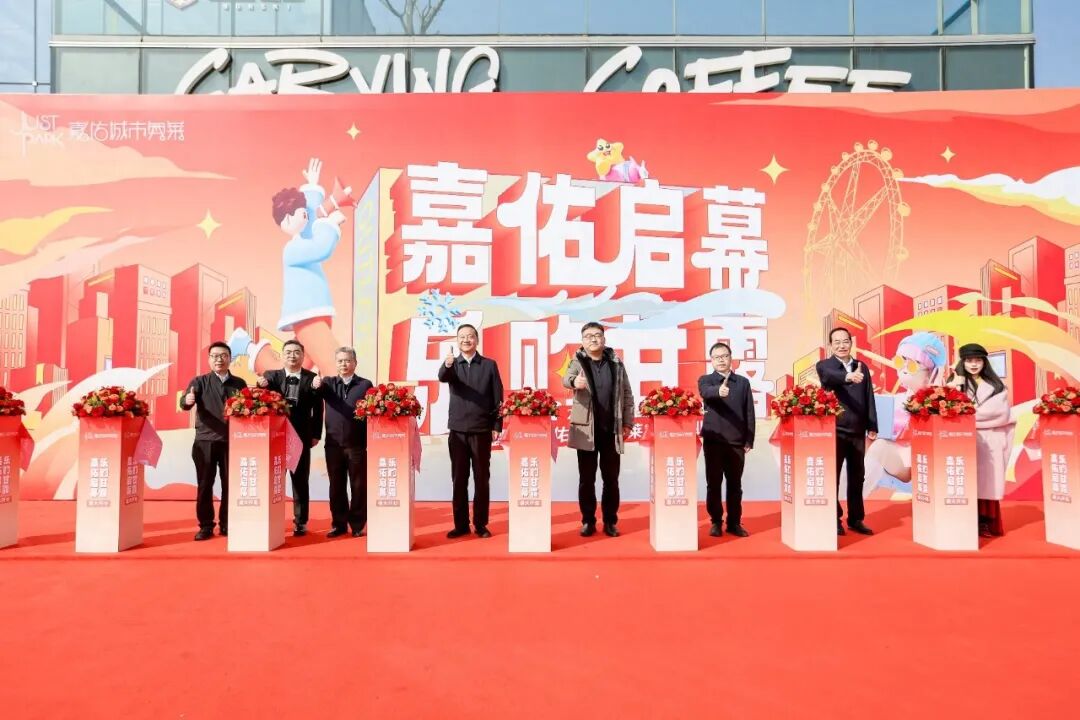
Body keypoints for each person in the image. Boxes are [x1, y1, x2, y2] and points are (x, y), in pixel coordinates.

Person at [563, 322, 635, 538]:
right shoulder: (577, 361)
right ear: (582, 341)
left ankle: (610, 522)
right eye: (588, 336)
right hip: (586, 430)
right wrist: (575, 381)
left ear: (604, 339)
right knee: (586, 480)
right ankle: (588, 521)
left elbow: (627, 393)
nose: (593, 339)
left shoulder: (616, 363)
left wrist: (627, 423)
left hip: (611, 429)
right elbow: (566, 379)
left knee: (611, 479)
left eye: (597, 335)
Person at [437, 324, 504, 539]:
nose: (466, 340)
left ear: (477, 340)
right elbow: (442, 376)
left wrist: (497, 425)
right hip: (457, 430)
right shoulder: (452, 364)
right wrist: (448, 364)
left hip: (481, 429)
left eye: (470, 336)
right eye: (462, 337)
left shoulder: (489, 365)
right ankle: (461, 525)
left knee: (481, 478)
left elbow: (498, 396)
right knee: (459, 479)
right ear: (457, 341)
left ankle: (481, 524)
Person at [180, 341, 247, 541]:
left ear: (229, 359)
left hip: (232, 442)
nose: (219, 359)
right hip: (205, 441)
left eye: (223, 355)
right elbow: (184, 402)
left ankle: (227, 524)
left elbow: (247, 408)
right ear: (209, 359)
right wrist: (187, 401)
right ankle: (206, 525)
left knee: (230, 485)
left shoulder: (239, 384)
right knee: (205, 484)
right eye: (215, 356)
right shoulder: (199, 381)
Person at [816, 328, 878, 536]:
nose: (841, 346)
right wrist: (849, 376)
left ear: (851, 343)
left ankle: (856, 519)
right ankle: (833, 518)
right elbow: (829, 377)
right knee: (832, 476)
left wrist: (872, 425)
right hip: (834, 430)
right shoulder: (824, 365)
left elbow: (869, 396)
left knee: (857, 476)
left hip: (857, 429)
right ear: (830, 345)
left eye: (845, 341)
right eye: (837, 342)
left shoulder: (862, 366)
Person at [258, 339, 323, 537]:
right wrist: (260, 386)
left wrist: (315, 434)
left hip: (301, 436)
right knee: (273, 479)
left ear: (303, 356)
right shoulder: (271, 376)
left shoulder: (312, 378)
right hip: (275, 436)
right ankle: (270, 519)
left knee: (300, 480)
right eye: (288, 352)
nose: (292, 356)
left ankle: (301, 522)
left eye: (296, 352)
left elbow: (318, 409)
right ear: (282, 355)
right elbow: (261, 400)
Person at [948, 343, 1013, 537]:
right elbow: (948, 407)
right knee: (962, 481)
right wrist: (955, 386)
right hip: (961, 439)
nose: (974, 364)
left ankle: (985, 522)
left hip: (988, 440)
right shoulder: (955, 382)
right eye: (969, 360)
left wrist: (967, 414)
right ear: (963, 362)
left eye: (978, 360)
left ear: (985, 362)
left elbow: (999, 412)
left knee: (986, 483)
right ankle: (963, 522)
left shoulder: (996, 385)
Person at [698, 342, 755, 537]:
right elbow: (705, 392)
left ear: (731, 358)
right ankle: (716, 521)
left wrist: (749, 439)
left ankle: (734, 523)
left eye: (724, 356)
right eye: (717, 357)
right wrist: (718, 391)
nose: (721, 360)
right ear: (711, 360)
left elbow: (749, 411)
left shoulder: (742, 382)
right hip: (713, 440)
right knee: (713, 484)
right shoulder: (706, 380)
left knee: (735, 485)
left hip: (736, 441)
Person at [317, 347, 373, 538]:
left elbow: (373, 409)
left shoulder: (365, 384)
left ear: (355, 363)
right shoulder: (328, 383)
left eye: (348, 360)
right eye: (340, 361)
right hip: (333, 445)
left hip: (357, 444)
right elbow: (318, 392)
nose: (344, 364)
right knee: (336, 486)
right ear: (336, 363)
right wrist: (316, 384)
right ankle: (339, 524)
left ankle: (357, 524)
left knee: (358, 486)